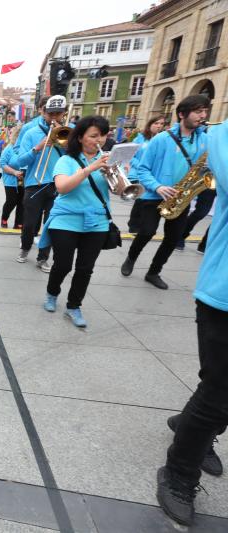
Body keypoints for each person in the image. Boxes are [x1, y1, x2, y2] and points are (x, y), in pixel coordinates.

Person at [156, 121, 228, 527]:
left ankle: (191, 428)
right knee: (217, 392)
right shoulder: (222, 136)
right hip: (224, 291)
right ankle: (180, 472)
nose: (202, 115)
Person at [123, 95, 209, 290]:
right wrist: (158, 186)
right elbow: (143, 169)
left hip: (181, 197)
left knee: (172, 238)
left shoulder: (204, 140)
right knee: (146, 232)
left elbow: (205, 166)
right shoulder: (162, 139)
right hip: (154, 195)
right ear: (181, 114)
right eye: (198, 112)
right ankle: (131, 258)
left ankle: (154, 272)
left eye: (205, 111)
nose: (203, 116)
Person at [39, 116, 112, 328]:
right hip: (66, 220)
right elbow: (62, 187)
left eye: (103, 135)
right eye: (94, 136)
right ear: (80, 137)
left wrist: (111, 174)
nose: (100, 140)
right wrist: (90, 169)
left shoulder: (108, 161)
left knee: (85, 268)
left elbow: (120, 191)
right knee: (62, 264)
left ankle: (73, 306)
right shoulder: (66, 161)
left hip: (97, 221)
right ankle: (52, 293)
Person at [12, 95, 69, 272]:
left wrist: (63, 142)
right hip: (34, 183)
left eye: (58, 114)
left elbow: (75, 156)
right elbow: (19, 161)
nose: (54, 118)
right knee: (29, 223)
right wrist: (38, 147)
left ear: (64, 114)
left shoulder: (69, 131)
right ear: (43, 112)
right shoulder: (30, 132)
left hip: (58, 183)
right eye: (50, 113)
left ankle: (43, 257)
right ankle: (25, 248)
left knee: (51, 224)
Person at [127, 115, 166, 233]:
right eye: (156, 123)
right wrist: (141, 166)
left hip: (154, 175)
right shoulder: (140, 138)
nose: (159, 126)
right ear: (150, 125)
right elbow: (130, 155)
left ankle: (144, 226)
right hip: (138, 174)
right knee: (140, 199)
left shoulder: (163, 139)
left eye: (161, 124)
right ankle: (133, 225)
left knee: (147, 201)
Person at [0, 124, 25, 229]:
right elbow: (2, 163)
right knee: (12, 201)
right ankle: (4, 218)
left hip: (25, 179)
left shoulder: (28, 148)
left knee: (22, 202)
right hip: (10, 179)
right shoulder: (9, 148)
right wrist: (14, 172)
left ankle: (19, 223)